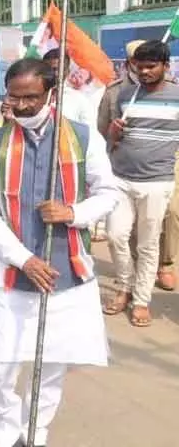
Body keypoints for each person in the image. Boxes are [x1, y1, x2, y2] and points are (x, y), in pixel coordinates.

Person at [0, 58, 118, 447]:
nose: (21, 107)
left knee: (51, 365)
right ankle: (3, 436)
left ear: (50, 94)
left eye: (31, 99)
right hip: (8, 274)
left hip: (65, 273)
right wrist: (24, 259)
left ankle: (35, 433)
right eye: (14, 97)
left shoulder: (84, 138)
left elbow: (108, 193)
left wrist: (73, 213)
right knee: (1, 367)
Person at [103, 39, 179, 327]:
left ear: (165, 66)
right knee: (115, 235)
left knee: (148, 245)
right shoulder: (124, 95)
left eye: (151, 66)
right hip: (121, 179)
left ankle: (141, 300)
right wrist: (114, 131)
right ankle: (124, 286)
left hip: (157, 183)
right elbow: (112, 140)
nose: (145, 72)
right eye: (140, 66)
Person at [41, 50, 96, 126]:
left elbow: (89, 133)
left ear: (67, 71)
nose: (51, 73)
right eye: (47, 69)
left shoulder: (81, 101)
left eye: (55, 69)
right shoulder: (32, 97)